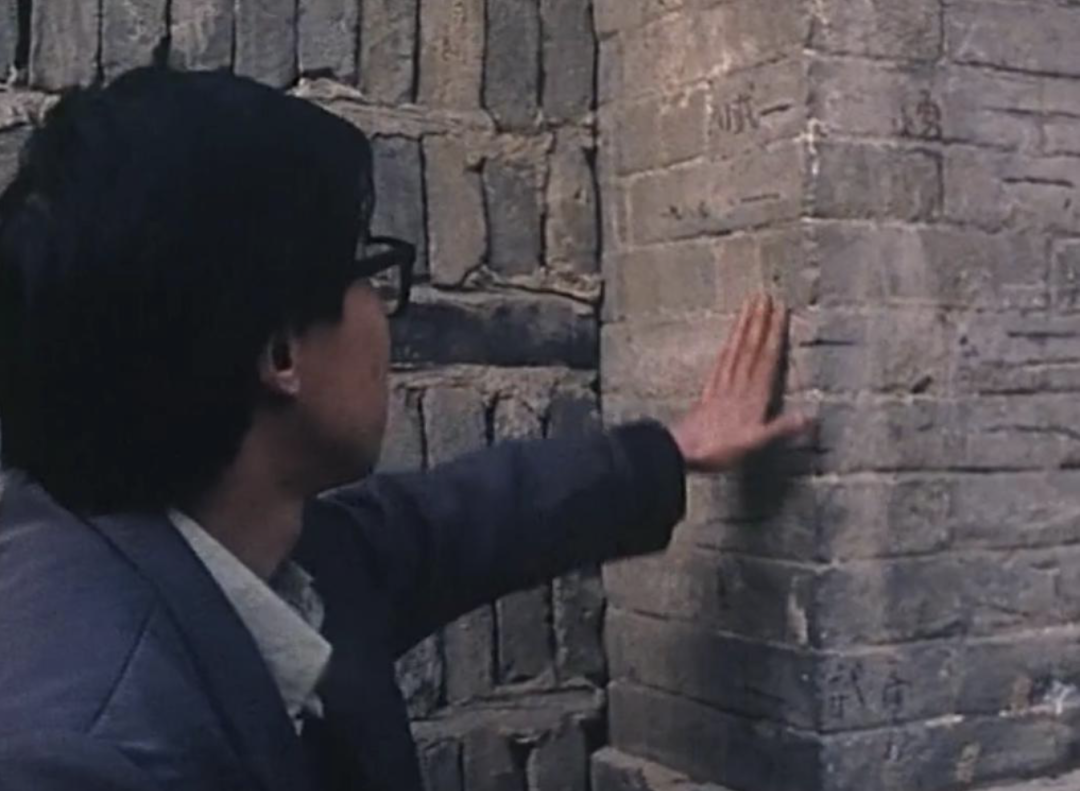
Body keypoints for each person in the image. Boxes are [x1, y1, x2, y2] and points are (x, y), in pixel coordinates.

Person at [0, 68, 810, 791]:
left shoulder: (232, 545)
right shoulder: (92, 748)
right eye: (365, 274)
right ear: (281, 354)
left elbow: (457, 521)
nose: (383, 319)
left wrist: (673, 450)